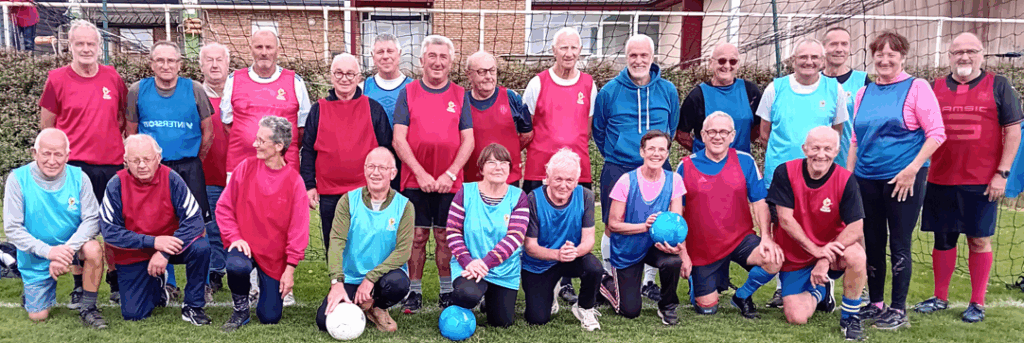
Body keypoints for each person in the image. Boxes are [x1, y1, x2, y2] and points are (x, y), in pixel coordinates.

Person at [914, 33, 1023, 323]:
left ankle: (977, 303)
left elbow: (1013, 131)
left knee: (978, 240)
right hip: (939, 178)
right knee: (943, 239)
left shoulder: (998, 85)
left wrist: (1002, 173)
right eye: (958, 51)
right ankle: (940, 297)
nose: (964, 56)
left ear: (982, 55)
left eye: (971, 51)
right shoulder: (934, 87)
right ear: (949, 55)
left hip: (982, 180)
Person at [847, 31, 945, 330]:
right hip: (866, 179)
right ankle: (876, 303)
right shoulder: (865, 92)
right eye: (879, 53)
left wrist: (912, 169)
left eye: (892, 54)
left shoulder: (917, 87)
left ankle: (898, 311)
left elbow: (937, 134)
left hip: (903, 180)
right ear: (873, 56)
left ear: (903, 56)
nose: (885, 59)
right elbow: (854, 139)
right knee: (873, 242)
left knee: (900, 243)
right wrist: (849, 178)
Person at [38, 19, 128, 309]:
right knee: (74, 228)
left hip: (111, 165)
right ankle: (79, 286)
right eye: (80, 44)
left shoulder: (113, 77)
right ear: (70, 46)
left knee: (114, 227)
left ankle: (115, 282)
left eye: (92, 44)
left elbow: (121, 119)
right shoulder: (57, 78)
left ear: (100, 47)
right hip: (74, 168)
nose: (86, 49)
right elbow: (48, 127)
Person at [594, 34, 680, 302]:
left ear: (652, 58)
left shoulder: (668, 90)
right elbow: (599, 130)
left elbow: (672, 128)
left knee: (660, 221)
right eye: (633, 55)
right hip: (618, 165)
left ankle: (650, 282)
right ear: (626, 57)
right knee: (612, 224)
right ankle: (609, 276)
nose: (639, 60)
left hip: (656, 166)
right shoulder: (609, 91)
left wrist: (653, 156)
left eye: (644, 55)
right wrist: (621, 150)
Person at [392, 34, 474, 313]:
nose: (437, 62)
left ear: (451, 62)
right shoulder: (408, 92)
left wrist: (450, 174)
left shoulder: (460, 95)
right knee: (416, 237)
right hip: (415, 180)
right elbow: (398, 139)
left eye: (443, 57)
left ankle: (446, 290)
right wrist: (421, 173)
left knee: (444, 236)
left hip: (449, 182)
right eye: (432, 56)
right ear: (422, 60)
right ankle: (414, 292)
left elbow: (469, 141)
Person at [126, 41, 215, 295]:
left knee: (197, 223)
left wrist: (192, 160)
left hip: (189, 166)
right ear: (152, 63)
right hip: (154, 169)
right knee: (159, 223)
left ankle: (202, 282)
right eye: (160, 61)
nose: (166, 66)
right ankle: (169, 283)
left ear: (179, 64)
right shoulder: (137, 90)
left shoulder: (194, 89)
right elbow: (131, 133)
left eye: (171, 61)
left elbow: (208, 132)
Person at [678, 112, 782, 318]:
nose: (718, 136)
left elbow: (759, 201)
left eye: (724, 132)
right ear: (703, 135)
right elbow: (677, 214)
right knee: (707, 309)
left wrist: (766, 238)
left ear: (732, 135)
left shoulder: (745, 162)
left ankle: (741, 296)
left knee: (773, 259)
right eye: (712, 132)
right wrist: (684, 254)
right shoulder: (685, 166)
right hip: (702, 248)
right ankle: (698, 281)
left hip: (739, 239)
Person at [767, 126, 867, 341]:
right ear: (804, 149)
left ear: (837, 150)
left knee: (857, 254)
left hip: (832, 253)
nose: (821, 154)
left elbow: (856, 227)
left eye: (828, 149)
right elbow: (785, 219)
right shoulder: (785, 172)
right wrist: (816, 251)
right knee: (796, 317)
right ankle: (822, 290)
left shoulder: (846, 180)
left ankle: (850, 317)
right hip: (796, 256)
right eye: (815, 148)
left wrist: (823, 258)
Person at [99, 134, 211, 324]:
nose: (142, 165)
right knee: (133, 314)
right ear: (126, 161)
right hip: (134, 250)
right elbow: (109, 232)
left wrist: (164, 252)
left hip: (170, 246)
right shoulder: (115, 185)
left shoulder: (172, 179)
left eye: (147, 159)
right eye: (135, 160)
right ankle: (157, 285)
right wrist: (152, 242)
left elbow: (195, 221)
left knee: (201, 247)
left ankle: (193, 306)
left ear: (158, 158)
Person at [521, 26, 596, 303]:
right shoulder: (538, 82)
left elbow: (585, 129)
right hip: (540, 170)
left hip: (576, 171)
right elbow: (526, 127)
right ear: (554, 51)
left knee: (574, 227)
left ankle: (567, 282)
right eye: (563, 48)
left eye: (574, 48)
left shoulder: (589, 84)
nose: (569, 53)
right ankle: (542, 276)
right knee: (540, 228)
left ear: (580, 51)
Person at [3, 129, 107, 328]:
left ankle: (88, 307)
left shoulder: (79, 177)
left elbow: (92, 219)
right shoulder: (17, 179)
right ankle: (30, 287)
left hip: (71, 248)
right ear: (35, 153)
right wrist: (49, 252)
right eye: (46, 153)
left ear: (67, 156)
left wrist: (65, 252)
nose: (52, 160)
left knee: (93, 248)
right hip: (37, 254)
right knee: (38, 316)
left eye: (58, 154)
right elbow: (13, 229)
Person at [217, 116, 310, 332]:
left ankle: (264, 288)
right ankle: (240, 309)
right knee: (236, 266)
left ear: (278, 146)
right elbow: (224, 207)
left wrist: (290, 269)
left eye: (261, 140)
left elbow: (299, 230)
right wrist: (235, 237)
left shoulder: (294, 182)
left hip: (274, 256)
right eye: (256, 139)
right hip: (245, 247)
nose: (254, 144)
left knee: (270, 317)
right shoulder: (245, 168)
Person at [301, 53, 395, 256]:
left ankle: (367, 287)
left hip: (367, 192)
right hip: (330, 194)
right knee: (335, 247)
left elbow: (387, 150)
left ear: (359, 77)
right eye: (339, 73)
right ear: (331, 76)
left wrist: (388, 187)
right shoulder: (318, 109)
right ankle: (339, 286)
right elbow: (308, 151)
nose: (344, 79)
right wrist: (309, 185)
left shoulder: (373, 109)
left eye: (350, 74)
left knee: (367, 246)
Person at [316, 147, 414, 333]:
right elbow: (336, 242)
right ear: (364, 169)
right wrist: (336, 283)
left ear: (393, 173)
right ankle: (360, 304)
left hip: (384, 278)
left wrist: (370, 278)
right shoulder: (348, 201)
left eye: (382, 168)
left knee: (398, 284)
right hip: (352, 277)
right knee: (324, 322)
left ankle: (377, 306)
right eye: (371, 166)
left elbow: (403, 252)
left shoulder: (405, 206)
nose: (375, 172)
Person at [602, 130, 685, 325]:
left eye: (662, 149)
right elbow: (613, 224)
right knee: (630, 311)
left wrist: (675, 245)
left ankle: (667, 306)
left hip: (654, 246)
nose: (656, 154)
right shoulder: (626, 181)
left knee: (672, 262)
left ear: (667, 154)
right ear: (642, 152)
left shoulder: (674, 180)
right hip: (628, 248)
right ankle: (604, 281)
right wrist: (644, 226)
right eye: (651, 149)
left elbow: (676, 222)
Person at [446, 143, 529, 327]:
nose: (498, 167)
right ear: (481, 168)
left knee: (501, 322)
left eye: (503, 162)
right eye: (491, 162)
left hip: (503, 270)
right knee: (466, 295)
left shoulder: (519, 196)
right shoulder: (465, 192)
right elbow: (453, 232)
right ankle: (470, 297)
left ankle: (489, 299)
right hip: (469, 266)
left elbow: (515, 237)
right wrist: (469, 262)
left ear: (510, 168)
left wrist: (485, 263)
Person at [521, 148, 603, 330]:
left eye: (569, 180)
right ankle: (552, 290)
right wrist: (557, 254)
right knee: (537, 319)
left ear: (576, 182)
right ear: (547, 178)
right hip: (539, 262)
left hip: (570, 256)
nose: (563, 185)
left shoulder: (585, 196)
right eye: (558, 179)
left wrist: (574, 252)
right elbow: (530, 247)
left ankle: (585, 307)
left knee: (594, 268)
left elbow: (588, 241)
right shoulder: (533, 199)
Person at [757, 38, 847, 192]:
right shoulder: (774, 89)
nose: (809, 62)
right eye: (803, 57)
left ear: (823, 61)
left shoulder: (835, 90)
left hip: (819, 177)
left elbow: (837, 133)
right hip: (779, 178)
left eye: (814, 57)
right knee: (778, 217)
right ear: (793, 61)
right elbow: (764, 134)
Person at [220, 28, 311, 175]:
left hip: (284, 170)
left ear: (278, 50)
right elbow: (227, 125)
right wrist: (248, 140)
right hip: (241, 169)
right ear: (251, 50)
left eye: (269, 47)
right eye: (259, 47)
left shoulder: (295, 82)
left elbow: (302, 130)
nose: (264, 52)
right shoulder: (234, 80)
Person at [676, 42, 762, 154]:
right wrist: (703, 153)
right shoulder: (698, 95)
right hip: (707, 167)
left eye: (732, 61)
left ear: (738, 65)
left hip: (740, 165)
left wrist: (738, 145)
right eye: (721, 61)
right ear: (711, 63)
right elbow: (681, 134)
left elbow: (758, 128)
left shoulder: (750, 91)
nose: (727, 66)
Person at [463, 50, 532, 186]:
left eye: (492, 71)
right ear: (469, 74)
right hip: (472, 182)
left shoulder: (513, 98)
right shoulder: (460, 103)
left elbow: (527, 135)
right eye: (482, 72)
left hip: (508, 181)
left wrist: (503, 155)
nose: (489, 76)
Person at [199, 42, 231, 295]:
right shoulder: (194, 94)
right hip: (207, 174)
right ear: (201, 65)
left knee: (240, 225)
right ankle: (215, 273)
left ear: (227, 64)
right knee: (211, 228)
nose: (214, 64)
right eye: (208, 60)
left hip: (237, 174)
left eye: (219, 59)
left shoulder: (238, 91)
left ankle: (244, 273)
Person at [821, 27, 871, 169]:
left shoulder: (863, 81)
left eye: (844, 44)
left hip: (853, 163)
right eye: (833, 44)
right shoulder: (814, 81)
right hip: (818, 160)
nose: (839, 49)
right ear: (823, 48)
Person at [362, 33, 413, 124]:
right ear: (373, 57)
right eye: (380, 52)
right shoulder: (362, 88)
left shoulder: (413, 88)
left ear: (399, 54)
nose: (385, 56)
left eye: (390, 51)